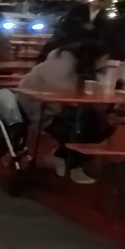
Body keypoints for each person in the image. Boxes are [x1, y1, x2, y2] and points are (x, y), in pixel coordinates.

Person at [17, 34, 107, 184]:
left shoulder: (76, 64)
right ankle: (72, 163)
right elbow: (65, 92)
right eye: (103, 59)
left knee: (101, 124)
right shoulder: (61, 65)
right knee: (83, 127)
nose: (104, 62)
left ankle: (65, 157)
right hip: (37, 108)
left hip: (54, 108)